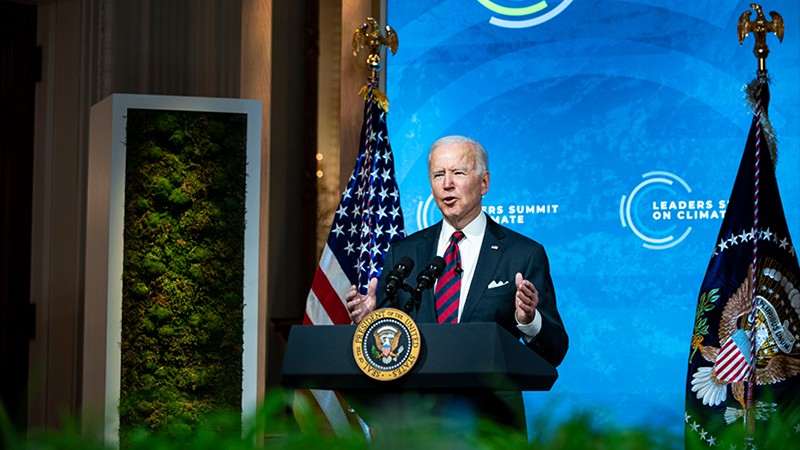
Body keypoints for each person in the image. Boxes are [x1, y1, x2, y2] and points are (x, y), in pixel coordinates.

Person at [345, 135, 568, 433]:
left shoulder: (522, 254)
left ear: (484, 183)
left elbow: (555, 350)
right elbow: (389, 347)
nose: (447, 184)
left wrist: (528, 320)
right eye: (439, 175)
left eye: (458, 173)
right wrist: (370, 322)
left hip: (491, 427)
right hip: (416, 424)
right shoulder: (404, 253)